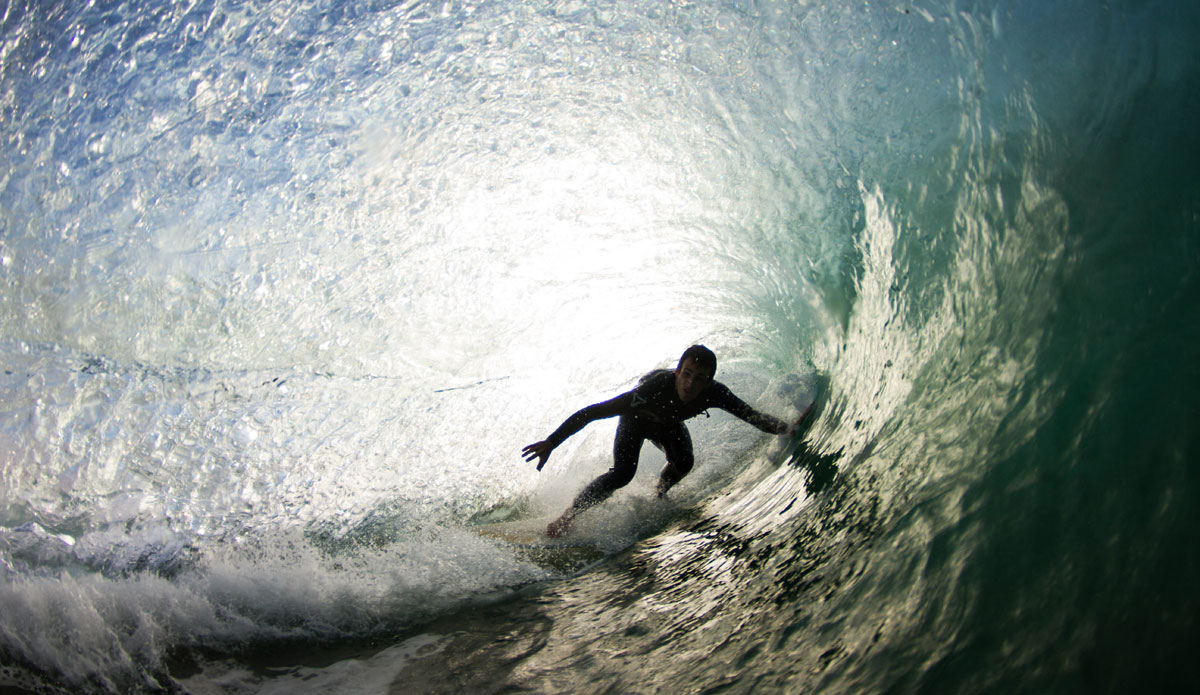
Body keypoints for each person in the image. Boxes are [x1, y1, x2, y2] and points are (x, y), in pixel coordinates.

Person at [522, 345, 810, 537]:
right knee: (622, 474)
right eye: (686, 375)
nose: (690, 384)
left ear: (709, 381)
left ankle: (658, 495)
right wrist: (552, 441)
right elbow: (594, 412)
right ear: (677, 372)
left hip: (668, 425)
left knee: (684, 461)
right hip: (636, 422)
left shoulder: (715, 394)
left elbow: (751, 416)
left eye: (699, 379)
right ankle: (568, 516)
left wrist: (788, 429)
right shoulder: (650, 392)